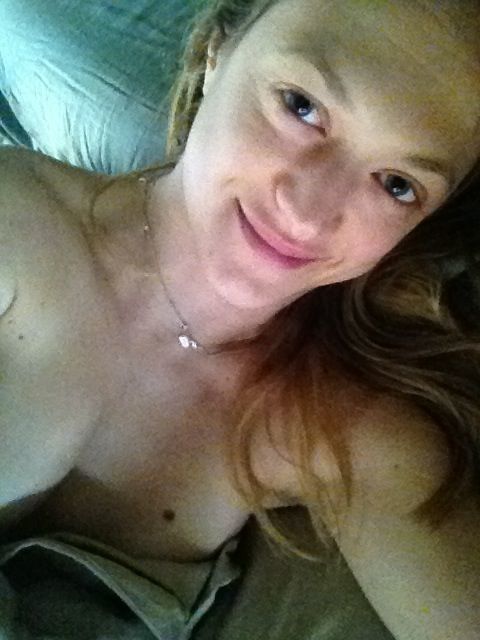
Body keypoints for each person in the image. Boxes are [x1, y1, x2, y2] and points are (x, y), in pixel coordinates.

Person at [1, 0, 480, 638]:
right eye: (300, 106)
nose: (308, 214)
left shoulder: (351, 433)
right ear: (216, 52)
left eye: (397, 184)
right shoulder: (16, 217)